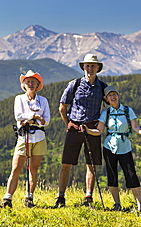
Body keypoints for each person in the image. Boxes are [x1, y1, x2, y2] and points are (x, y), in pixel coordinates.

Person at [84, 85, 141, 211]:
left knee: (131, 174)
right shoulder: (106, 113)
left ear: (118, 96)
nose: (113, 97)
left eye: (114, 94)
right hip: (109, 147)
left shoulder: (127, 110)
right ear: (106, 99)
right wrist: (87, 130)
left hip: (125, 146)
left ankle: (140, 204)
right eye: (110, 96)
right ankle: (117, 204)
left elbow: (135, 127)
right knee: (112, 175)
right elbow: (99, 131)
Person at [55, 54, 107, 208]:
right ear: (83, 67)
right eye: (87, 66)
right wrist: (69, 124)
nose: (90, 68)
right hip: (75, 126)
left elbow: (113, 103)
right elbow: (62, 107)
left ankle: (88, 198)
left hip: (92, 128)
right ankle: (61, 197)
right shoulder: (74, 84)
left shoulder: (103, 87)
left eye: (93, 66)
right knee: (66, 164)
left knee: (91, 165)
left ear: (98, 68)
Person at [0, 70, 50, 208]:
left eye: (33, 82)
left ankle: (29, 198)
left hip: (39, 137)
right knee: (16, 169)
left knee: (33, 169)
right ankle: (7, 198)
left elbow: (47, 121)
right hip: (24, 137)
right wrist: (36, 118)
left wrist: (31, 120)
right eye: (28, 82)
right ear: (24, 85)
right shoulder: (19, 99)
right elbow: (19, 116)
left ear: (38, 84)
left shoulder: (43, 100)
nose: (31, 84)